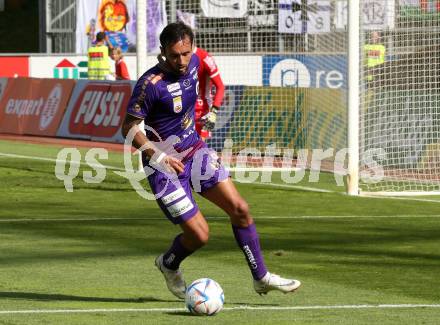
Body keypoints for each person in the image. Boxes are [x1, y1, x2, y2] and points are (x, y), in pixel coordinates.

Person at [121, 22, 301, 299]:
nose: (181, 61)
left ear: (192, 47)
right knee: (200, 236)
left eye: (185, 53)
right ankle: (169, 264)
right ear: (162, 52)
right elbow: (129, 128)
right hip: (164, 166)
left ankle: (261, 277)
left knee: (240, 208)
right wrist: (157, 154)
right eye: (173, 55)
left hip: (196, 151)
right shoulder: (150, 85)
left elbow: (216, 85)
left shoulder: (197, 62)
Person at [193, 46, 225, 141]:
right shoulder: (177, 58)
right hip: (184, 108)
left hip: (203, 110)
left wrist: (213, 113)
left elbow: (220, 87)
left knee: (199, 146)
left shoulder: (205, 58)